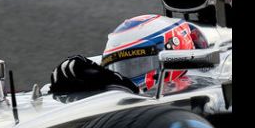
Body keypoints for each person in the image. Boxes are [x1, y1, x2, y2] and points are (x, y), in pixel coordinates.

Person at [50, 14, 206, 94]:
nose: (126, 76)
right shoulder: (116, 84)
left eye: (138, 64)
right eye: (121, 67)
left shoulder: (206, 85)